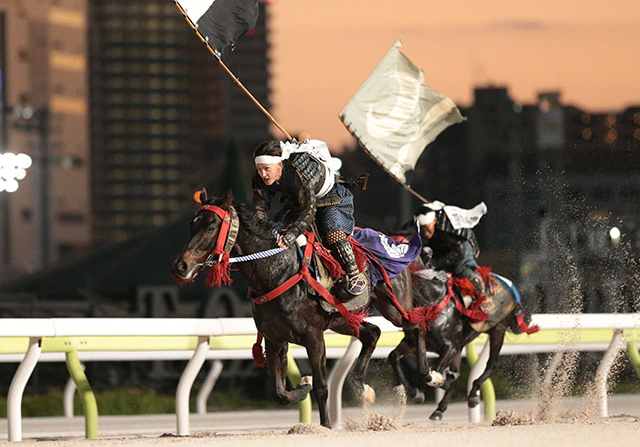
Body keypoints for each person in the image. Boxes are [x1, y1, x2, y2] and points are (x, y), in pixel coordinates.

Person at [251, 137, 367, 296]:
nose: (262, 174)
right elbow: (260, 207)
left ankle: (354, 275)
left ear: (279, 164)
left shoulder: (300, 172)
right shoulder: (260, 179)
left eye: (266, 168)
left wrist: (291, 235)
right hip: (299, 201)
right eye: (259, 169)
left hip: (331, 198)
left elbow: (309, 210)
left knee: (332, 232)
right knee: (276, 228)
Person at [412, 201, 486, 292]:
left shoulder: (447, 230)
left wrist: (435, 264)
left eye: (426, 228)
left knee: (460, 271)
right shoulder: (416, 228)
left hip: (462, 250)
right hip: (442, 251)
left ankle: (480, 290)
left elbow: (459, 253)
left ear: (434, 221)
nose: (424, 232)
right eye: (421, 229)